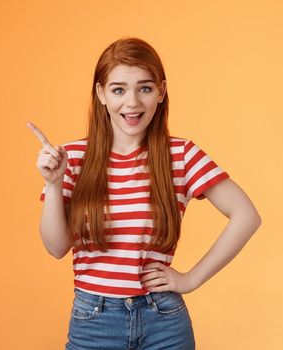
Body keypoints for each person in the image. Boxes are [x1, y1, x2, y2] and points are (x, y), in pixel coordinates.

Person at [26, 37, 262, 350]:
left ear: (161, 91)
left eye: (145, 88)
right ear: (101, 94)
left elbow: (247, 216)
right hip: (94, 321)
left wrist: (190, 279)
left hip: (164, 320)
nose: (132, 103)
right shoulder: (72, 157)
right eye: (119, 89)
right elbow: (56, 248)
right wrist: (54, 184)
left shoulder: (181, 155)